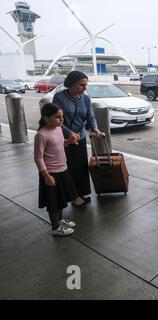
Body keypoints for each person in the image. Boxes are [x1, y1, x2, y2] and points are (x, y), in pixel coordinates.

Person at [52, 70, 102, 207]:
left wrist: (95, 128)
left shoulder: (85, 98)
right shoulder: (59, 97)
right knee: (69, 168)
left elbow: (90, 116)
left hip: (80, 137)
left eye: (86, 85)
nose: (85, 88)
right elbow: (57, 121)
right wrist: (69, 134)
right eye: (82, 85)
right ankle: (73, 196)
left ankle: (82, 192)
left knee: (81, 167)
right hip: (65, 139)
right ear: (72, 84)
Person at [34, 103, 82, 236]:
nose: (61, 120)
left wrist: (69, 142)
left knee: (61, 198)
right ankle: (55, 227)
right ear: (46, 118)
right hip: (51, 173)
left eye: (62, 117)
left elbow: (60, 143)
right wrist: (46, 176)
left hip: (63, 169)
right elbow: (38, 158)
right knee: (53, 202)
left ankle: (60, 220)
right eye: (57, 117)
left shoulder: (58, 129)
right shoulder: (41, 135)